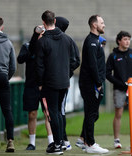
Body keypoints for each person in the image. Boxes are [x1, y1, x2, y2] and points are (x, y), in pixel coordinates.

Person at [36, 10, 78, 155]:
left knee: (53, 112)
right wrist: (67, 73)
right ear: (54, 21)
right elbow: (74, 60)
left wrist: (40, 83)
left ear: (43, 23)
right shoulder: (67, 39)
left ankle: (58, 145)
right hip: (64, 81)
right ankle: (60, 143)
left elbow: (39, 65)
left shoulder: (42, 41)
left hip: (50, 82)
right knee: (59, 112)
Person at [17, 25, 54, 151]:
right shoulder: (27, 46)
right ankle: (32, 142)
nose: (40, 35)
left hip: (45, 85)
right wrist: (31, 51)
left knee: (47, 113)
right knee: (32, 114)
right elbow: (20, 59)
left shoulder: (47, 46)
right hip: (31, 85)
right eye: (38, 33)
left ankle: (51, 141)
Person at [76, 14, 108, 154]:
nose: (104, 25)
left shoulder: (96, 40)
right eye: (101, 22)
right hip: (91, 84)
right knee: (91, 113)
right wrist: (98, 82)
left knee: (93, 114)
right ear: (94, 25)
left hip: (94, 83)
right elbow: (92, 65)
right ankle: (90, 144)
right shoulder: (91, 42)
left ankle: (83, 139)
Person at [106, 31, 132, 148]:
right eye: (125, 39)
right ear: (119, 41)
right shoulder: (113, 56)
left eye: (129, 39)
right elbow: (107, 74)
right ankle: (116, 140)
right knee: (119, 114)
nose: (127, 41)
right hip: (119, 89)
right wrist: (121, 84)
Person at [55, 16, 80, 151]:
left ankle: (63, 139)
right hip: (59, 80)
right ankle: (59, 139)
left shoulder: (67, 40)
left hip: (60, 81)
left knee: (59, 111)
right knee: (57, 111)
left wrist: (66, 73)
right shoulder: (61, 39)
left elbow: (76, 60)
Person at [0, 16, 16, 152]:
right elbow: (12, 66)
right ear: (2, 27)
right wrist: (6, 77)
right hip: (2, 77)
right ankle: (10, 141)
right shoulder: (8, 43)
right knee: (7, 110)